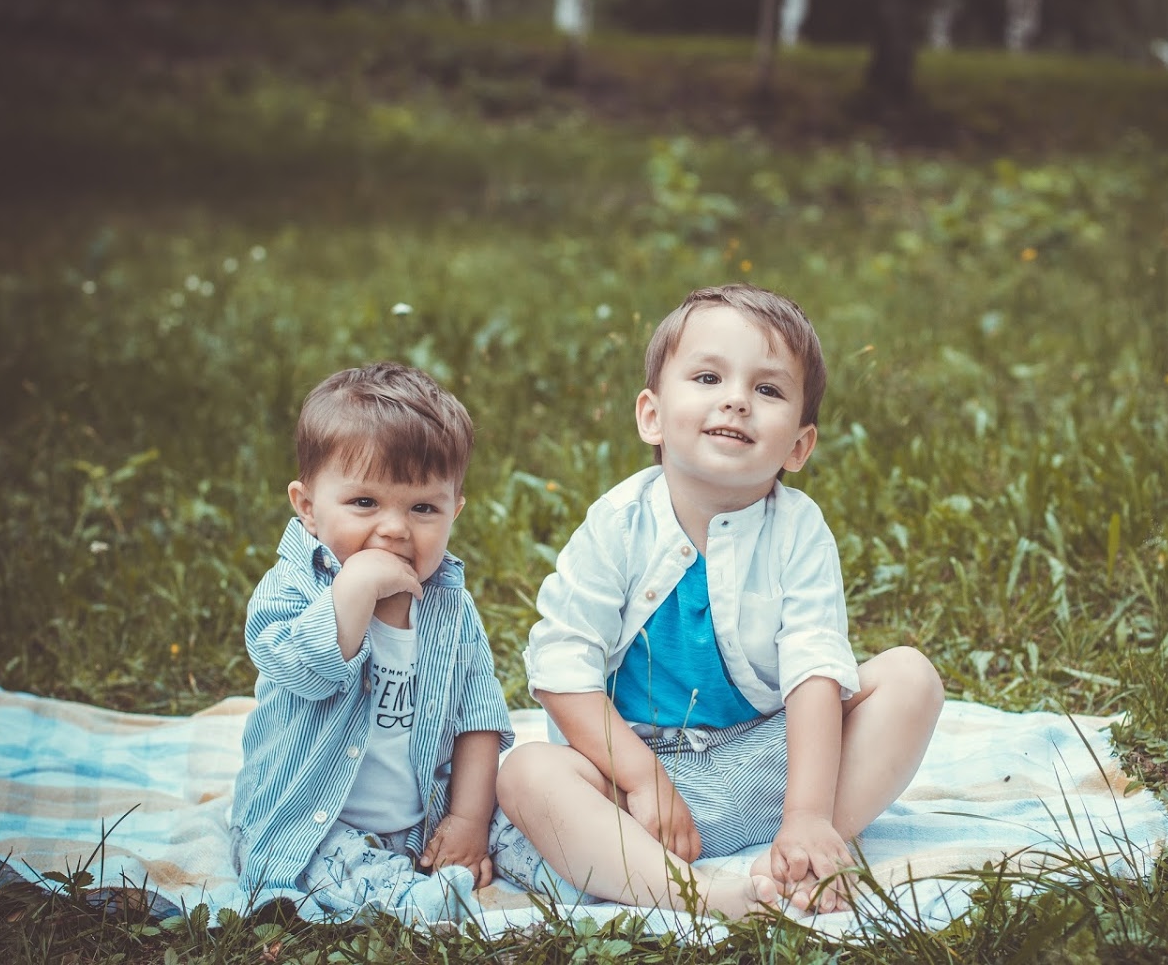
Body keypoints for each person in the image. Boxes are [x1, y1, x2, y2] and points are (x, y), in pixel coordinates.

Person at [492, 284, 944, 918]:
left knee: (909, 678)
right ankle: (701, 895)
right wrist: (645, 779)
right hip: (626, 784)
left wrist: (808, 812)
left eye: (768, 390)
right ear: (651, 414)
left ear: (798, 446)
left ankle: (800, 856)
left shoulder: (799, 529)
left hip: (760, 760)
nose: (736, 399)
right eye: (708, 376)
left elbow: (814, 666)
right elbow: (561, 667)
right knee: (525, 773)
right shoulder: (617, 524)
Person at [229, 362, 513, 924]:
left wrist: (467, 822)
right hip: (304, 818)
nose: (395, 529)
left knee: (518, 824)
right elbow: (299, 669)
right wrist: (352, 592)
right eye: (365, 503)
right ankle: (405, 899)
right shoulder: (292, 588)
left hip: (421, 818)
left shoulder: (450, 606)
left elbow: (477, 718)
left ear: (455, 509)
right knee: (325, 863)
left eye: (423, 508)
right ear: (308, 507)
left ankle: (564, 863)